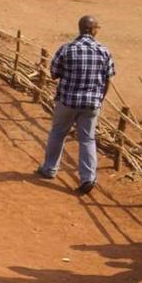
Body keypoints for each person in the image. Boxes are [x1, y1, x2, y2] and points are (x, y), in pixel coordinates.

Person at [36, 15, 115, 196]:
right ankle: (88, 178)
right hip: (91, 104)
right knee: (87, 139)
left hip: (67, 101)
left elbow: (54, 73)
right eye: (97, 28)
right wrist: (99, 99)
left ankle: (49, 169)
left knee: (58, 133)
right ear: (92, 30)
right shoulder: (103, 51)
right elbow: (108, 79)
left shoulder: (67, 49)